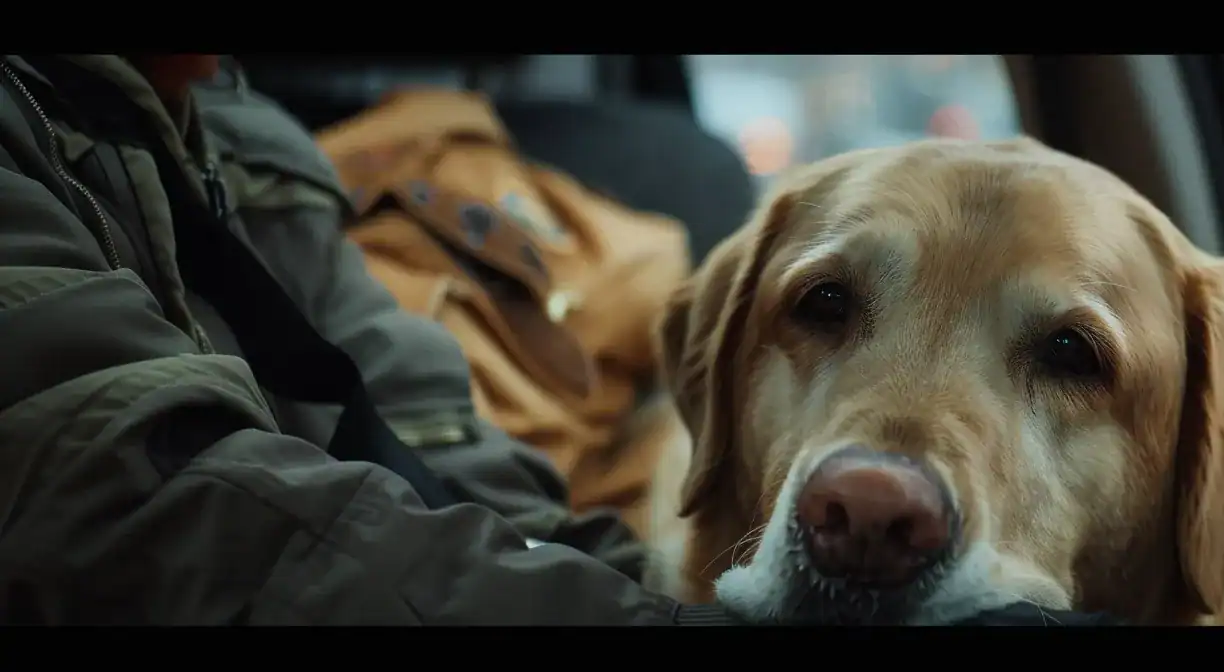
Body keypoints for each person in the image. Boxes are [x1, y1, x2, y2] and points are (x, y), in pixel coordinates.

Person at [0, 54, 1112, 625]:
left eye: (1070, 356)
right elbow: (137, 507)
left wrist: (652, 592)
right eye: (824, 307)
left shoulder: (246, 141)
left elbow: (440, 459)